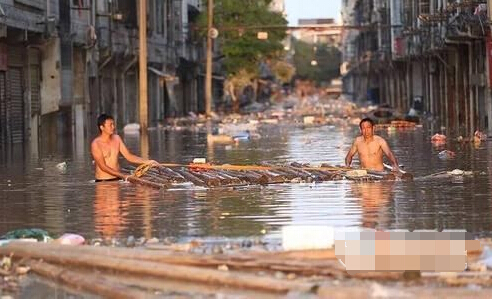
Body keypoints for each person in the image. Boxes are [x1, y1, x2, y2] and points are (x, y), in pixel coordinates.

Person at [91, 114, 156, 182]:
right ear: (102, 127)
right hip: (103, 181)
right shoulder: (96, 144)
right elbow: (103, 167)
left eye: (113, 124)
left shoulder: (117, 138)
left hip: (118, 178)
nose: (113, 127)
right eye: (110, 125)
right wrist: (124, 176)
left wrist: (149, 162)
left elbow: (129, 156)